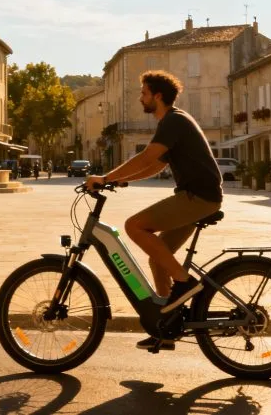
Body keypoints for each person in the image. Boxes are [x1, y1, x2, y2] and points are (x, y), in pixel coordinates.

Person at [85, 70, 222, 351]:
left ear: (157, 96)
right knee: (159, 259)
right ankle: (167, 324)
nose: (140, 98)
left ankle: (184, 283)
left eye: (144, 93)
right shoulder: (174, 122)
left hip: (198, 197)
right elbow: (157, 165)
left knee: (134, 226)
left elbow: (147, 156)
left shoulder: (174, 120)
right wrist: (121, 179)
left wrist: (106, 178)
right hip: (198, 196)